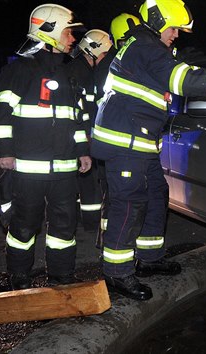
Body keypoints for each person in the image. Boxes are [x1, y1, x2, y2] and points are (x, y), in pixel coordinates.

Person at [90, 0, 206, 301]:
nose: (177, 34)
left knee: (157, 193)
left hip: (138, 140)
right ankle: (117, 274)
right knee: (128, 204)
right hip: (125, 142)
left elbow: (177, 71)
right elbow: (183, 81)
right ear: (159, 21)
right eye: (174, 28)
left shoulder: (147, 46)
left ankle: (149, 258)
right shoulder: (146, 47)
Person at [0, 3, 91, 290]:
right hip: (28, 169)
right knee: (24, 225)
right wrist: (4, 151)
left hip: (64, 170)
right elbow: (1, 114)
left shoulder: (70, 73)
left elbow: (78, 118)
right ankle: (19, 277)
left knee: (64, 226)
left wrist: (82, 151)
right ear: (50, 30)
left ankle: (62, 277)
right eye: (68, 33)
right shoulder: (20, 69)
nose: (73, 39)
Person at [93, 13, 141, 250]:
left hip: (111, 140)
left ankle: (108, 241)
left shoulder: (113, 62)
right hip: (116, 142)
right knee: (114, 197)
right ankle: (108, 244)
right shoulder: (117, 65)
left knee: (114, 196)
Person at [67, 29, 113, 232]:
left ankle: (81, 218)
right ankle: (91, 222)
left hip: (78, 134)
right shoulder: (81, 73)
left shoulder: (80, 69)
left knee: (81, 180)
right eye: (103, 54)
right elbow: (83, 110)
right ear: (93, 52)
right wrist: (87, 137)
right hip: (81, 134)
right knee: (89, 182)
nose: (105, 59)